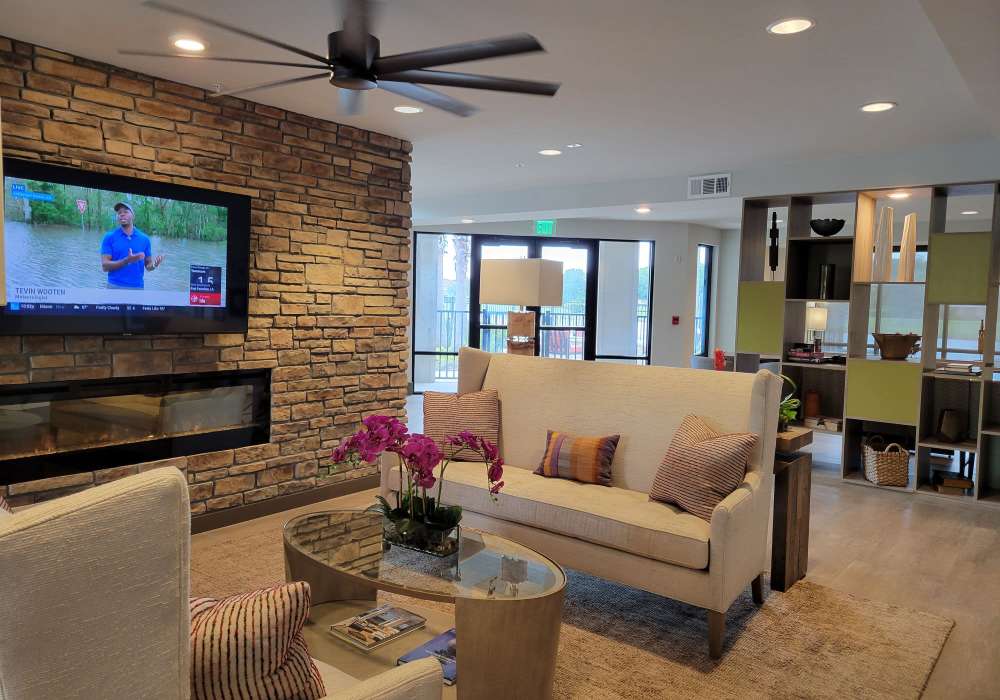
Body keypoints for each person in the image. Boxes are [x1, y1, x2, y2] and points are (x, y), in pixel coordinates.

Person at [100, 202, 165, 288]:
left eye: (126, 212)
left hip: (137, 288)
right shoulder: (109, 237)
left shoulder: (144, 239)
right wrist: (126, 261)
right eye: (119, 213)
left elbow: (148, 266)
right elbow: (105, 266)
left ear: (133, 216)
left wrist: (154, 265)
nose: (122, 214)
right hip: (114, 286)